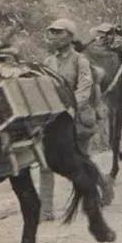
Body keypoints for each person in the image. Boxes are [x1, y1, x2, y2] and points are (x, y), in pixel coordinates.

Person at [40, 18, 97, 222]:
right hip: (54, 119)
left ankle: (99, 192)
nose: (54, 36)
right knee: (45, 162)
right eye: (52, 32)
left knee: (82, 160)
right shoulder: (49, 62)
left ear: (71, 37)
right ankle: (45, 210)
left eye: (59, 32)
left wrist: (70, 108)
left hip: (77, 119)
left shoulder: (80, 60)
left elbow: (85, 88)